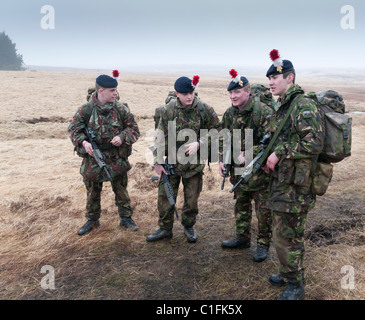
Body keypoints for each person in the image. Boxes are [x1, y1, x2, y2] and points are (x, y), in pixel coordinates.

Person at [263, 50, 324, 299]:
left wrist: (280, 153)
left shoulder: (303, 106)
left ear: (290, 79)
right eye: (269, 78)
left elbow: (314, 142)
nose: (271, 82)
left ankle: (295, 284)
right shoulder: (283, 107)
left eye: (276, 78)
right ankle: (288, 272)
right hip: (283, 181)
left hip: (296, 187)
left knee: (288, 234)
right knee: (280, 230)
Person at [146, 76, 220, 243]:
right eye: (185, 94)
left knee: (192, 199)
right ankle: (165, 228)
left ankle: (188, 226)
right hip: (171, 163)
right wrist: (158, 162)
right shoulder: (167, 110)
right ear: (177, 93)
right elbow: (160, 137)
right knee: (165, 197)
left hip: (194, 165)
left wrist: (200, 143)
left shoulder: (204, 109)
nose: (189, 97)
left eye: (192, 93)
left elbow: (217, 130)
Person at [68, 73, 140, 236]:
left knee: (121, 189)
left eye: (116, 90)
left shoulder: (121, 108)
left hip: (116, 158)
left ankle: (126, 218)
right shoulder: (85, 110)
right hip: (93, 158)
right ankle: (92, 220)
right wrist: (84, 143)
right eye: (112, 90)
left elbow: (134, 130)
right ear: (101, 91)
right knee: (92, 191)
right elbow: (73, 130)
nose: (115, 93)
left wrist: (122, 137)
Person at [219, 69, 274, 262]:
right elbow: (223, 138)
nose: (233, 96)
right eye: (231, 93)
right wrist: (221, 159)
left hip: (260, 172)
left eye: (237, 92)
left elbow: (274, 141)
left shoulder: (263, 111)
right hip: (238, 171)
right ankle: (242, 238)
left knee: (263, 209)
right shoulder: (229, 114)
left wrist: (248, 152)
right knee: (241, 205)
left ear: (248, 91)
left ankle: (263, 244)